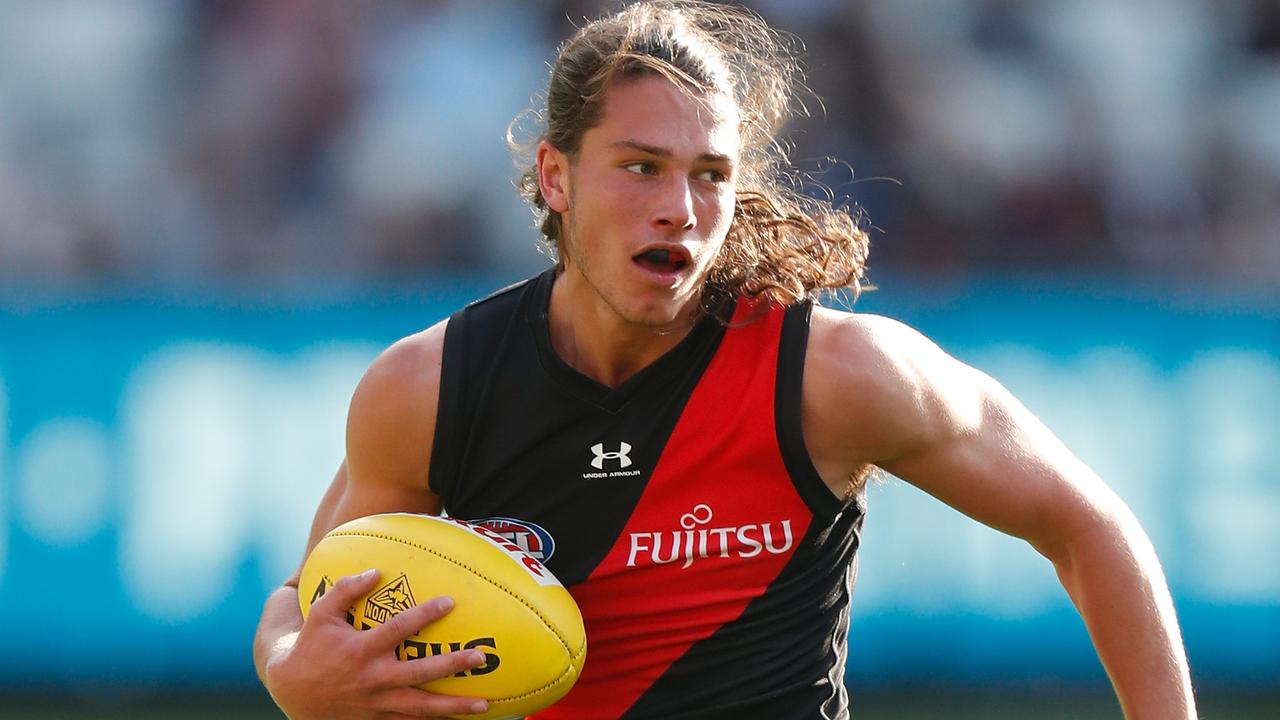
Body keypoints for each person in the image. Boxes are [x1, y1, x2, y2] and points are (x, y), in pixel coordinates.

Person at [253, 2, 1197, 718]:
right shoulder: (428, 388)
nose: (681, 207)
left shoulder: (838, 375)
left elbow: (1091, 527)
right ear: (554, 175)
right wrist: (298, 676)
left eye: (711, 175)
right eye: (640, 167)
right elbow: (309, 602)